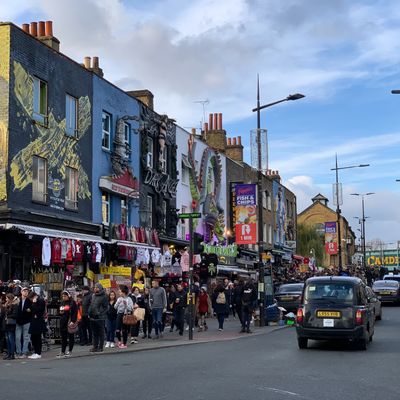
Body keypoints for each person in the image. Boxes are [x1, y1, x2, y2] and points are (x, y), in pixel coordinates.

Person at [88, 283, 108, 353]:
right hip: (92, 317)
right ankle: (95, 347)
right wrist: (89, 312)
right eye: (95, 287)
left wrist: (99, 313)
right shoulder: (93, 295)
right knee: (94, 333)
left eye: (97, 287)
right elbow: (91, 305)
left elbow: (106, 307)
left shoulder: (104, 296)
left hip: (100, 318)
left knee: (101, 333)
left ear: (100, 288)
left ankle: (100, 347)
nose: (95, 288)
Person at [57, 291, 78, 358]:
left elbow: (75, 312)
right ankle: (63, 351)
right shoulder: (62, 302)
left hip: (69, 321)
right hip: (63, 321)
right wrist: (60, 312)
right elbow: (60, 311)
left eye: (65, 296)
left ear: (68, 296)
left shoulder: (72, 302)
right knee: (63, 337)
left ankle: (70, 350)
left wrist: (73, 320)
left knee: (71, 336)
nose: (63, 297)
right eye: (62, 296)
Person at [27, 291, 46, 359]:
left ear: (34, 296)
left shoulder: (41, 301)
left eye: (31, 299)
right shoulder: (34, 301)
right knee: (33, 337)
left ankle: (38, 353)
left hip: (38, 321)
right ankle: (35, 352)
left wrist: (34, 304)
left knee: (38, 337)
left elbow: (38, 310)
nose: (31, 300)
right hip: (34, 321)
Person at [15, 286, 32, 359]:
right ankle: (19, 352)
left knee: (26, 337)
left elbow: (31, 310)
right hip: (18, 321)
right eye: (24, 291)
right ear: (21, 292)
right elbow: (15, 309)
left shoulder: (29, 301)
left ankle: (24, 352)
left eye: (27, 291)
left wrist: (29, 310)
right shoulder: (18, 300)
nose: (25, 292)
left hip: (26, 321)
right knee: (17, 337)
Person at [4, 293, 19, 360]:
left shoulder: (14, 305)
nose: (6, 299)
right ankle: (9, 354)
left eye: (7, 298)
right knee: (7, 340)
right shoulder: (7, 305)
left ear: (10, 299)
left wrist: (8, 316)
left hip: (11, 324)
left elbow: (15, 315)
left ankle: (12, 354)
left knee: (11, 340)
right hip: (6, 324)